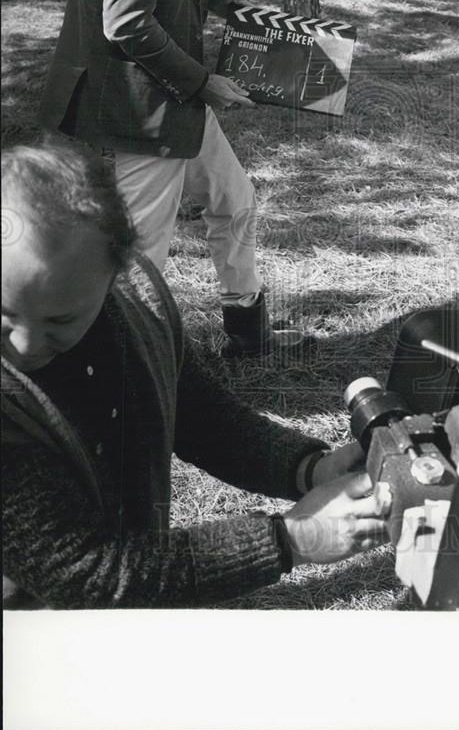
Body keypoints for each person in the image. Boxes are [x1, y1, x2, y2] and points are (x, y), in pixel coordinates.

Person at [1, 139, 391, 609]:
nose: (24, 344)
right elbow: (91, 573)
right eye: (5, 314)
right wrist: (293, 539)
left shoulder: (137, 306)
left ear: (114, 276)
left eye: (60, 321)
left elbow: (202, 418)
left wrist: (310, 468)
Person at [38, 0, 289, 358]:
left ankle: (246, 337)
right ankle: (124, 372)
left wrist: (216, 2)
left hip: (168, 102)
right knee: (144, 253)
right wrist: (204, 83)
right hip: (142, 108)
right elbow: (127, 22)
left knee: (234, 199)